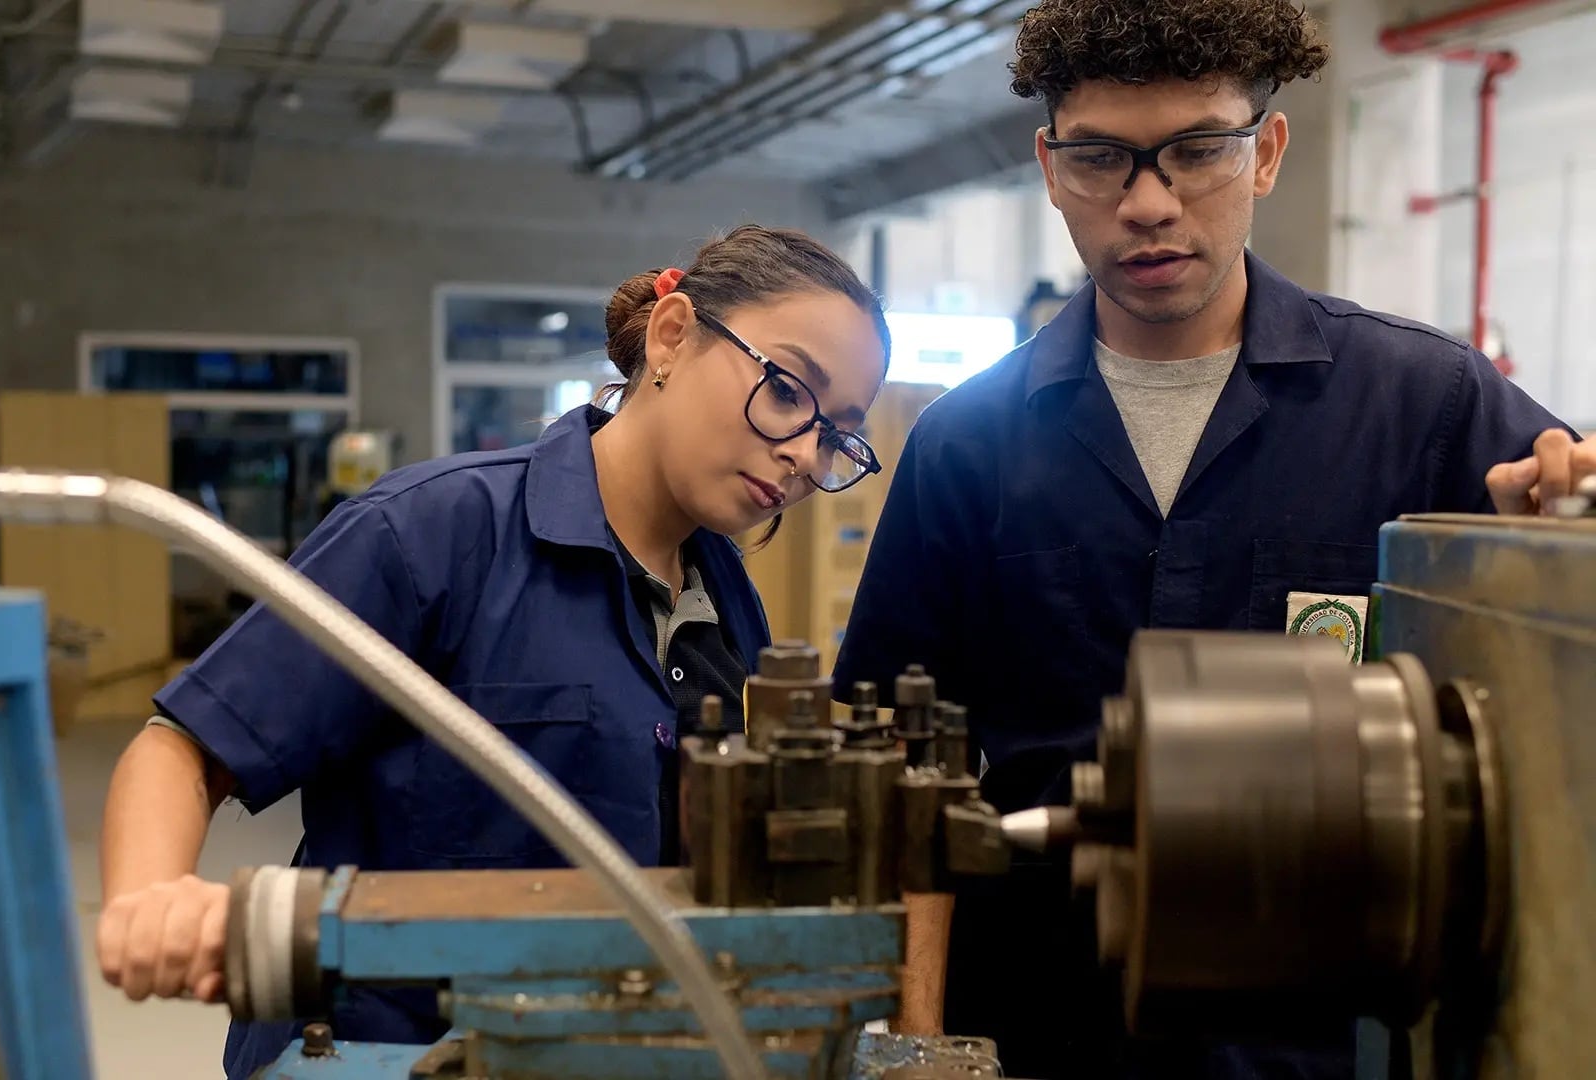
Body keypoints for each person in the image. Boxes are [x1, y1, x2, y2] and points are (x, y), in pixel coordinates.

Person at [832, 2, 1593, 1078]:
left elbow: (1548, 656)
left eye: (1196, 152)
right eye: (1101, 159)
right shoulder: (969, 444)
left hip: (1327, 1032)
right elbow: (887, 766)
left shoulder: (1422, 404)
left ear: (1265, 152)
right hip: (1047, 1024)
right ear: (1050, 169)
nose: (1149, 204)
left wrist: (1560, 519)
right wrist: (912, 1035)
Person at [94, 224, 892, 1079]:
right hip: (374, 1053)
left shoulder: (729, 602)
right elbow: (185, 749)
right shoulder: (431, 534)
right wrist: (153, 900)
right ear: (671, 338)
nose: (804, 452)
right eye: (786, 392)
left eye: (839, 437)